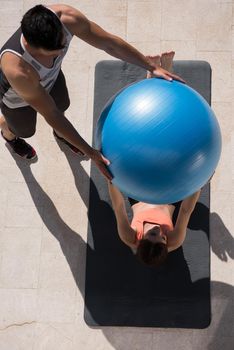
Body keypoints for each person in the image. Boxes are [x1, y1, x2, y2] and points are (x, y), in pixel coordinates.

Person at [0, 4, 184, 179]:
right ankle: (7, 133)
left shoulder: (67, 18)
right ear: (31, 45)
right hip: (17, 99)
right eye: (53, 53)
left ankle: (61, 135)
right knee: (25, 131)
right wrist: (90, 152)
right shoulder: (18, 70)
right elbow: (50, 113)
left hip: (50, 79)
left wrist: (151, 67)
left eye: (62, 47)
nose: (59, 54)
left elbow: (109, 43)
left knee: (63, 105)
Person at [108, 52, 203, 268]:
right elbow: (186, 210)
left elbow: (118, 206)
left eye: (151, 235)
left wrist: (110, 178)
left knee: (145, 135)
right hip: (171, 195)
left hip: (138, 191)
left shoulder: (128, 236)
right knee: (169, 141)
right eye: (161, 237)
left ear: (140, 239)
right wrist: (199, 180)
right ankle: (165, 71)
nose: (158, 232)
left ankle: (152, 74)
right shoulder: (175, 241)